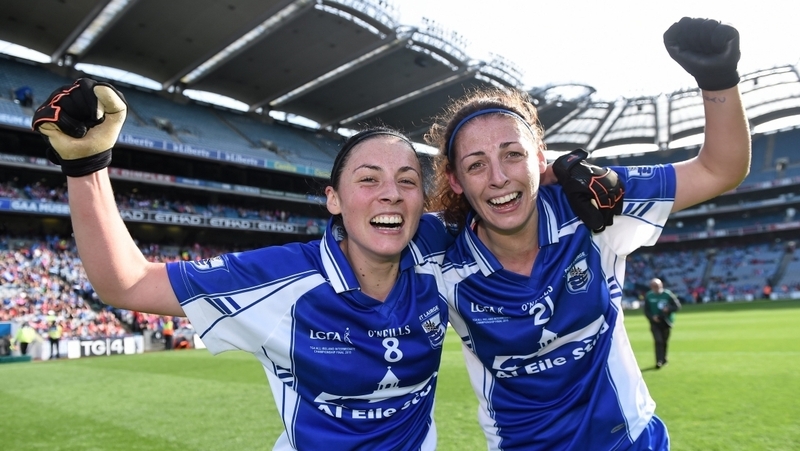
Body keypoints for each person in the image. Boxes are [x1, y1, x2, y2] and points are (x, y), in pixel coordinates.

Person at [31, 78, 456, 449]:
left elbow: (504, 208)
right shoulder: (279, 280)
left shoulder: (438, 248)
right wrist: (86, 166)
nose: (392, 193)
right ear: (334, 200)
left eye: (407, 180)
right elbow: (126, 283)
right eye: (368, 179)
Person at [425, 17, 750, 450]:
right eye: (476, 164)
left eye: (513, 154)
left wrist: (718, 80)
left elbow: (718, 169)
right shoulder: (440, 257)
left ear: (540, 159)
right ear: (455, 181)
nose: (499, 177)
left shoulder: (594, 207)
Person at [644, 278, 681, 369]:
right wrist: (652, 317)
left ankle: (664, 358)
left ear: (661, 285)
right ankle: (659, 361)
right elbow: (646, 310)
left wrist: (668, 309)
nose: (656, 288)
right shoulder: (649, 296)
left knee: (664, 341)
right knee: (658, 341)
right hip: (655, 322)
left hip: (666, 322)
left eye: (657, 286)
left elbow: (677, 306)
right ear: (651, 287)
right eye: (654, 286)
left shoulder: (667, 294)